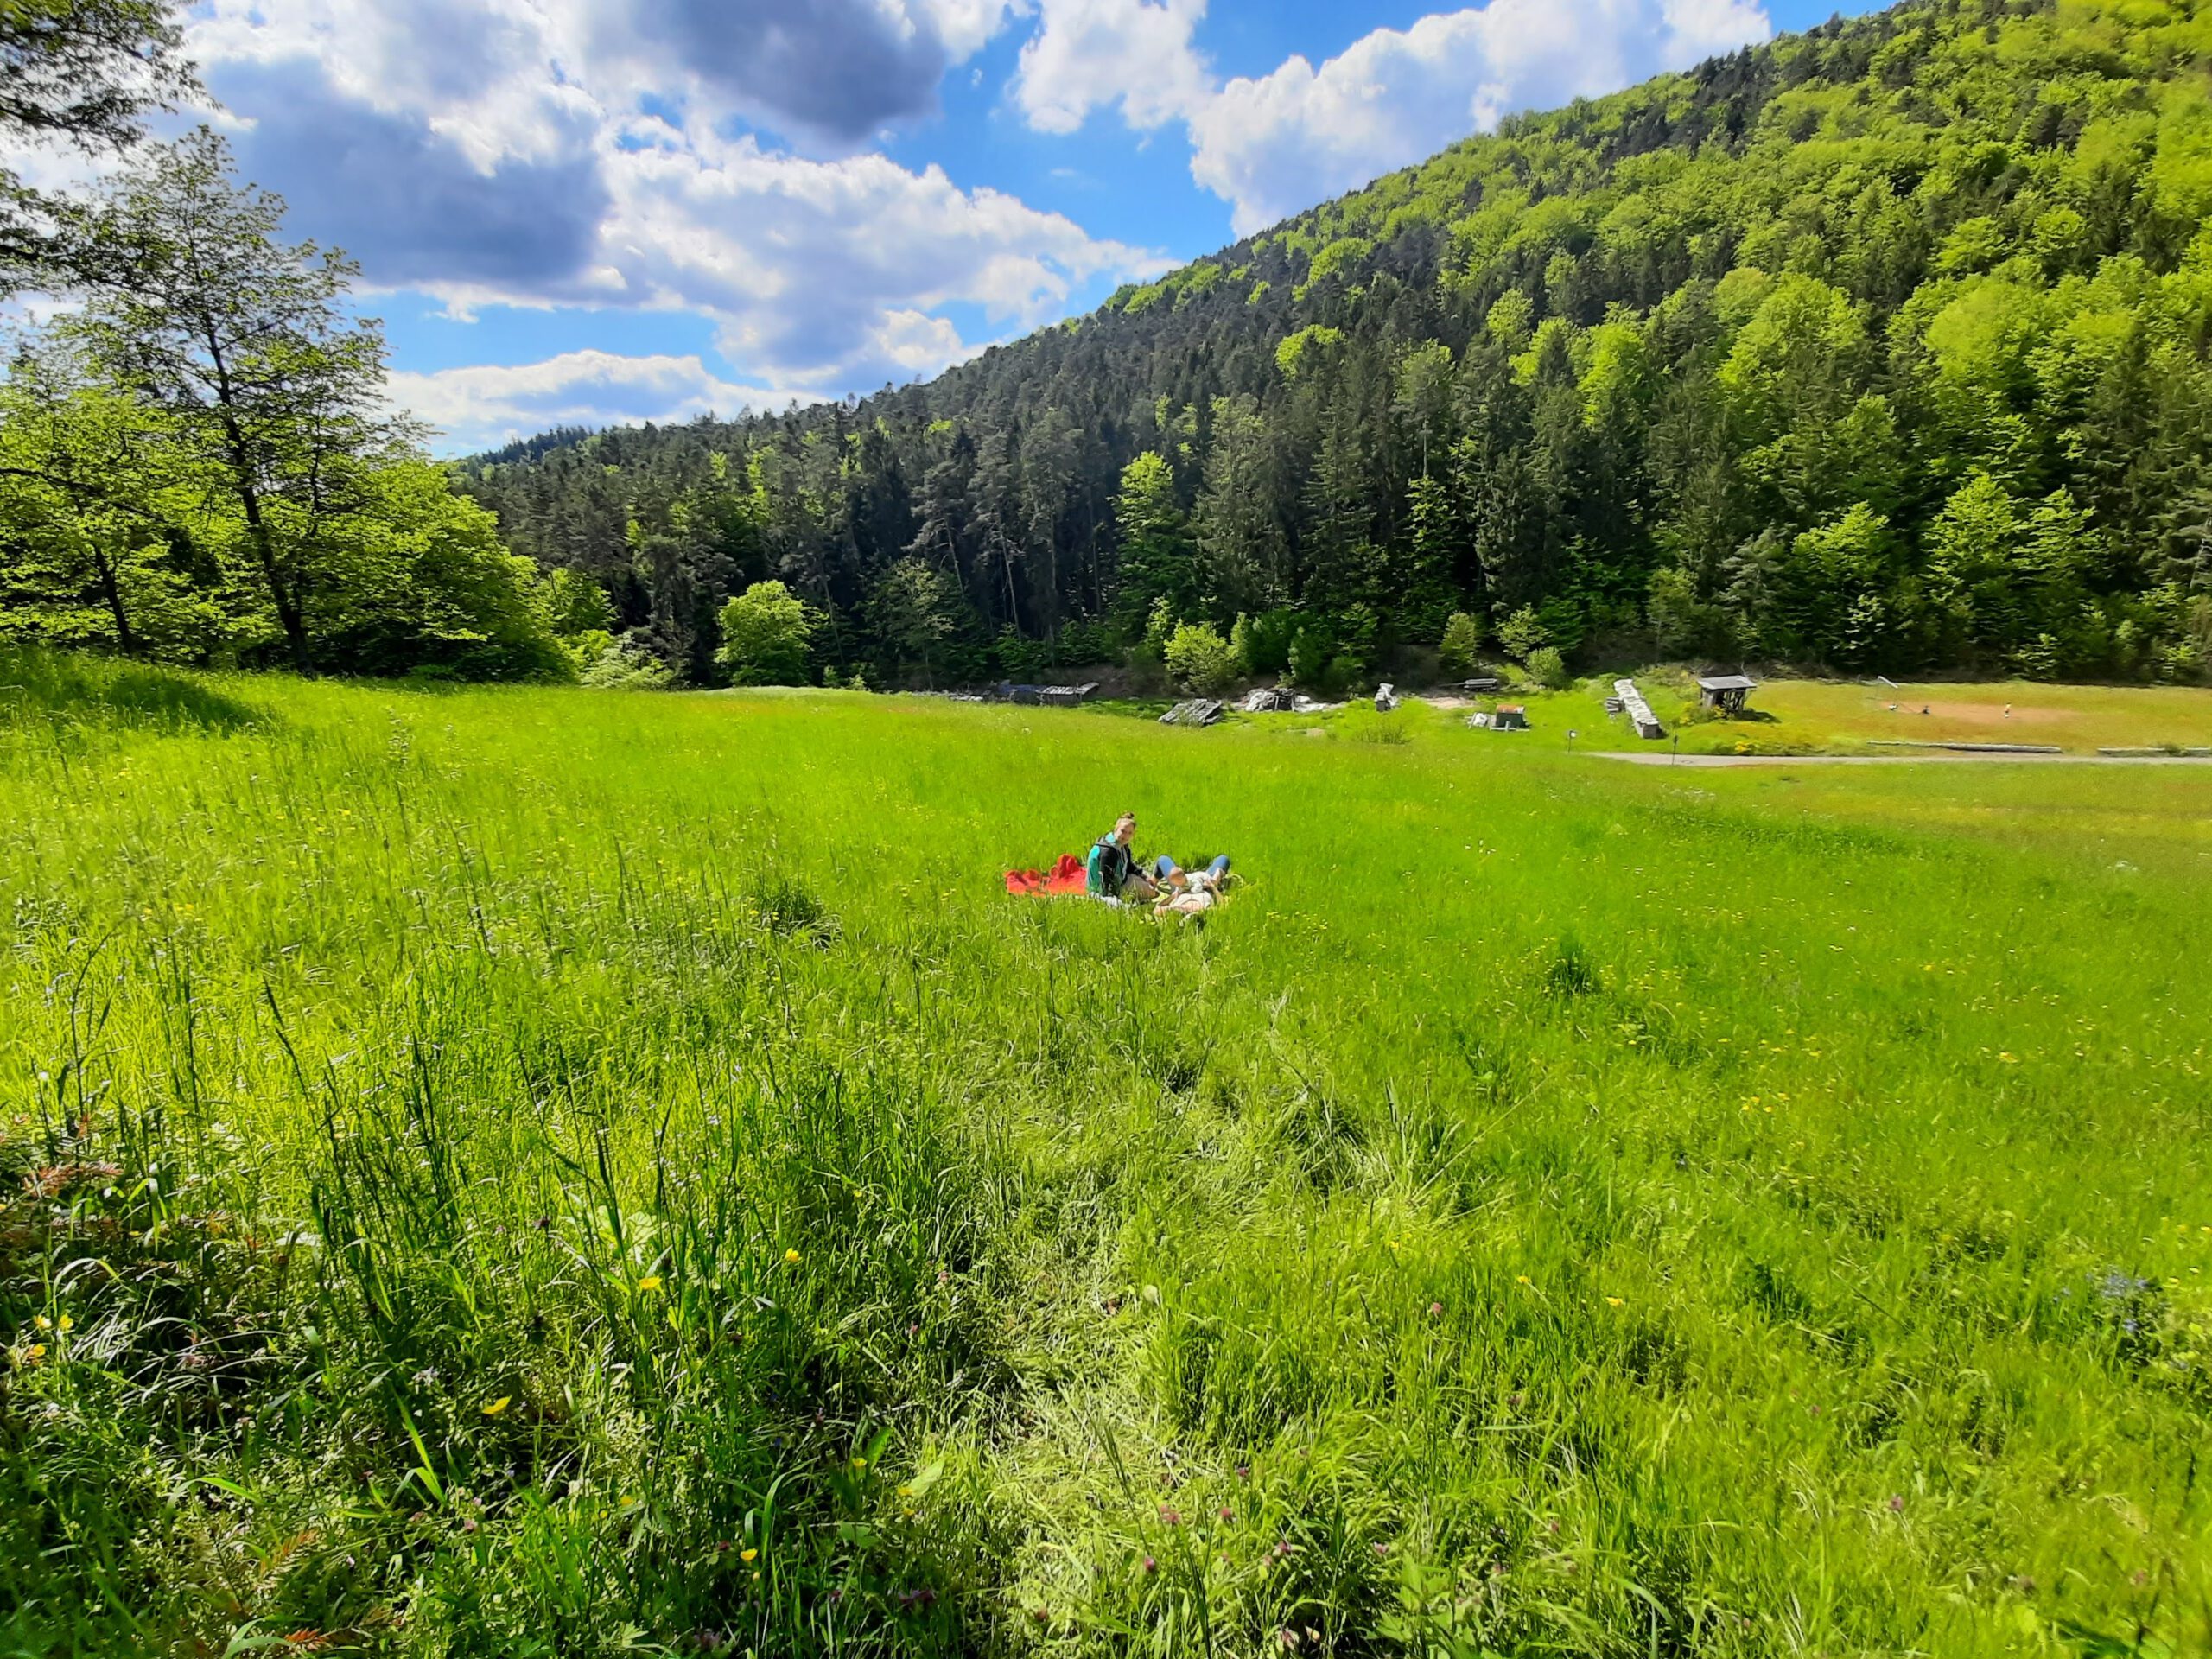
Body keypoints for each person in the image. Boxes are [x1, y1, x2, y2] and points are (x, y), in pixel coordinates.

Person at [1085, 812, 1156, 903]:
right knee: (1152, 893)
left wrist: (1142, 875)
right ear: (1116, 830)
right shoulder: (1109, 852)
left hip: (1122, 877)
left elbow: (1129, 865)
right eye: (1123, 831)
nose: (1126, 836)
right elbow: (1106, 882)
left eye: (1130, 833)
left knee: (1151, 884)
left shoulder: (1121, 844)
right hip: (1104, 889)